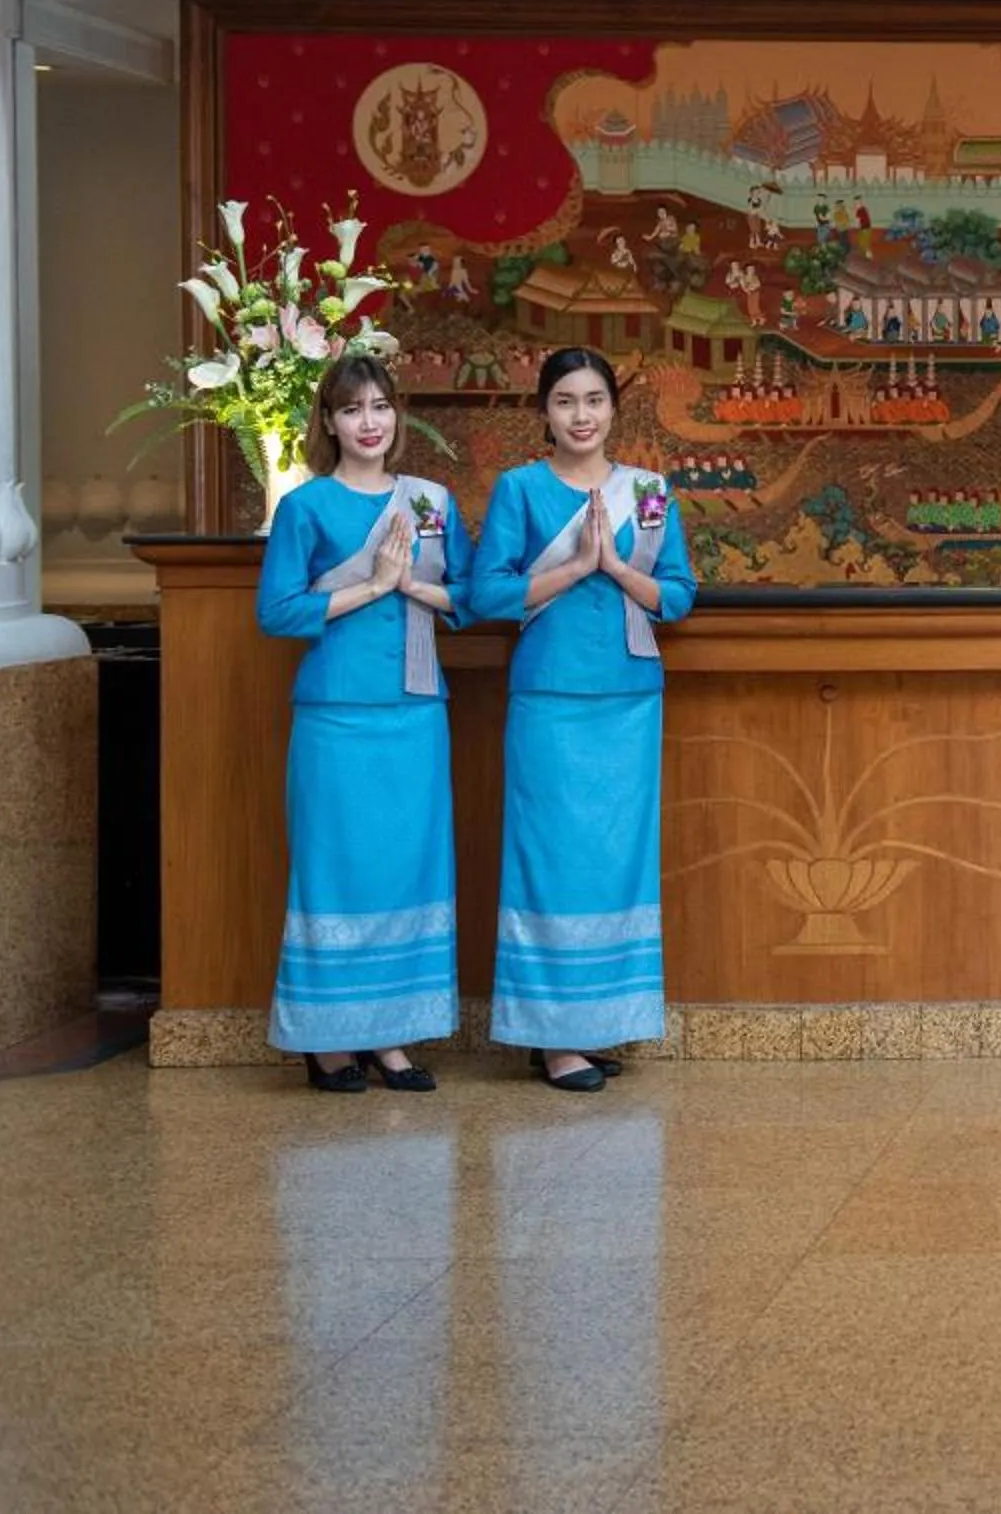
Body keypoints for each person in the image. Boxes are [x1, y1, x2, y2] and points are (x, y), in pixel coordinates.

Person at [464, 347, 695, 1091]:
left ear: (613, 410)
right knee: (553, 862)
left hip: (629, 699)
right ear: (544, 413)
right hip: (551, 700)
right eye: (565, 401)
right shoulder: (520, 490)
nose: (581, 415)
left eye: (594, 399)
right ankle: (553, 1037)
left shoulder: (651, 494)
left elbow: (681, 594)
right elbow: (486, 594)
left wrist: (619, 569)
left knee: (615, 868)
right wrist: (575, 566)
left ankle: (593, 1028)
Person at [254, 352, 467, 1093]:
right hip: (337, 715)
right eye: (351, 409)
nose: (369, 422)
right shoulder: (306, 508)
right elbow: (277, 612)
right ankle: (328, 1040)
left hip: (415, 711)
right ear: (328, 422)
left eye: (380, 406)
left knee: (408, 871)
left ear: (397, 414)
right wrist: (374, 586)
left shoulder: (431, 501)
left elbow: (470, 599)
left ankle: (392, 1037)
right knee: (336, 873)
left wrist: (410, 585)